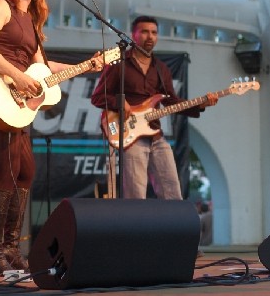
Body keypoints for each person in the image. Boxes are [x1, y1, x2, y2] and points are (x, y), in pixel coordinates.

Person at [0, 0, 104, 277]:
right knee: (7, 172)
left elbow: (43, 67)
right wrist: (16, 76)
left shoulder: (30, 20)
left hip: (16, 101)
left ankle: (12, 247)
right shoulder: (0, 5)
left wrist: (86, 66)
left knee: (26, 171)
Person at [90, 15, 218, 199]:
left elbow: (171, 101)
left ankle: (174, 227)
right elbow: (97, 97)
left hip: (156, 134)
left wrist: (200, 104)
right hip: (130, 135)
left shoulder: (161, 68)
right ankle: (136, 227)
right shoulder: (119, 64)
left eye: (154, 33)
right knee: (136, 195)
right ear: (133, 35)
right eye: (144, 32)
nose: (150, 36)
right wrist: (120, 102)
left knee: (173, 191)